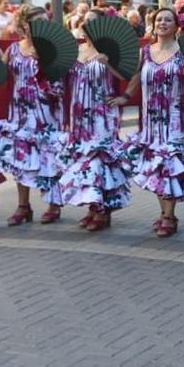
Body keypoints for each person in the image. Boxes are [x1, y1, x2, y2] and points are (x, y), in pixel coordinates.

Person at [122, 7, 184, 238]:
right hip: (151, 118)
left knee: (170, 164)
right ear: (153, 24)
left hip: (176, 117)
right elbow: (136, 77)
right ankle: (165, 212)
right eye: (159, 19)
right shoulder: (145, 51)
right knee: (157, 165)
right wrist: (125, 96)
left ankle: (168, 215)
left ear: (176, 26)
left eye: (168, 19)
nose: (163, 23)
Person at [49, 24, 133, 233]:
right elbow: (62, 80)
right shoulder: (75, 52)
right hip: (78, 114)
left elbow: (125, 76)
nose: (87, 29)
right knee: (83, 161)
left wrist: (110, 65)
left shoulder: (108, 52)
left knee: (99, 160)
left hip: (102, 113)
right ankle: (93, 206)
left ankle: (103, 210)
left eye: (93, 24)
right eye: (85, 24)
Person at [0, 8, 68, 227]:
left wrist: (45, 64)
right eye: (35, 22)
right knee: (21, 158)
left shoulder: (53, 50)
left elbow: (60, 86)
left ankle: (54, 203)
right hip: (19, 111)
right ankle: (23, 206)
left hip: (45, 111)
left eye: (44, 22)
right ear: (24, 24)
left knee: (49, 158)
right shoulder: (14, 49)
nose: (40, 26)